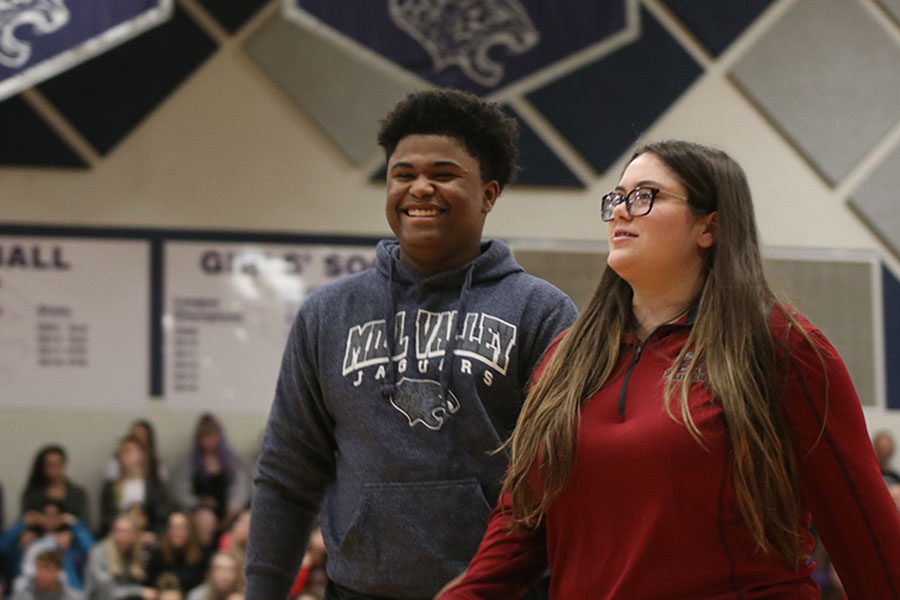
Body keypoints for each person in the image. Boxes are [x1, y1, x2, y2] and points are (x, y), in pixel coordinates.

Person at [438, 140, 900, 598]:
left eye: (644, 197)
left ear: (709, 227)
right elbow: (521, 525)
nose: (620, 211)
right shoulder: (566, 358)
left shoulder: (781, 347)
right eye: (616, 198)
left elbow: (865, 534)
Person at [244, 88, 578, 600]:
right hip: (359, 588)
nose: (420, 188)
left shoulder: (542, 311)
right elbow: (288, 473)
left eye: (443, 174)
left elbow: (563, 480)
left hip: (499, 593)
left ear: (488, 194)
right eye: (403, 175)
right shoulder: (327, 314)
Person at [169, 415, 250, 535]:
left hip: (228, 510)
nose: (208, 441)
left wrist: (231, 511)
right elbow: (180, 491)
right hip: (199, 510)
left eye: (211, 436)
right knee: (206, 519)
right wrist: (198, 502)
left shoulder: (232, 461)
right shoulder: (189, 462)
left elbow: (241, 487)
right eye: (204, 437)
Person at [99, 436, 169, 539]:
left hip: (148, 537)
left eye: (129, 451)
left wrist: (152, 534)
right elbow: (106, 519)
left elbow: (162, 518)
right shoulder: (111, 487)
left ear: (142, 455)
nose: (124, 456)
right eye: (122, 453)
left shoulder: (155, 486)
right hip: (119, 537)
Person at [83, 513, 151, 600]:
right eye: (119, 531)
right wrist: (139, 591)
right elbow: (109, 592)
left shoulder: (136, 553)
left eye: (128, 532)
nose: (123, 537)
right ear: (112, 533)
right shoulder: (98, 553)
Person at [21, 447, 90, 529]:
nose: (53, 469)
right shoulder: (33, 492)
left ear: (64, 464)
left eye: (56, 464)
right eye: (49, 465)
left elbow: (85, 522)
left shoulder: (77, 493)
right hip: (38, 532)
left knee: (80, 530)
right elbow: (25, 517)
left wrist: (69, 532)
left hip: (69, 534)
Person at [144, 513, 206, 595]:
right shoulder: (158, 554)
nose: (176, 532)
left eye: (181, 528)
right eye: (173, 527)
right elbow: (149, 585)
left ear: (190, 531)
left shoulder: (201, 556)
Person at [11, 549, 84, 600]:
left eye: (46, 568)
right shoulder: (22, 597)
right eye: (39, 567)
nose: (41, 573)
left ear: (58, 571)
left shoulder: (74, 597)